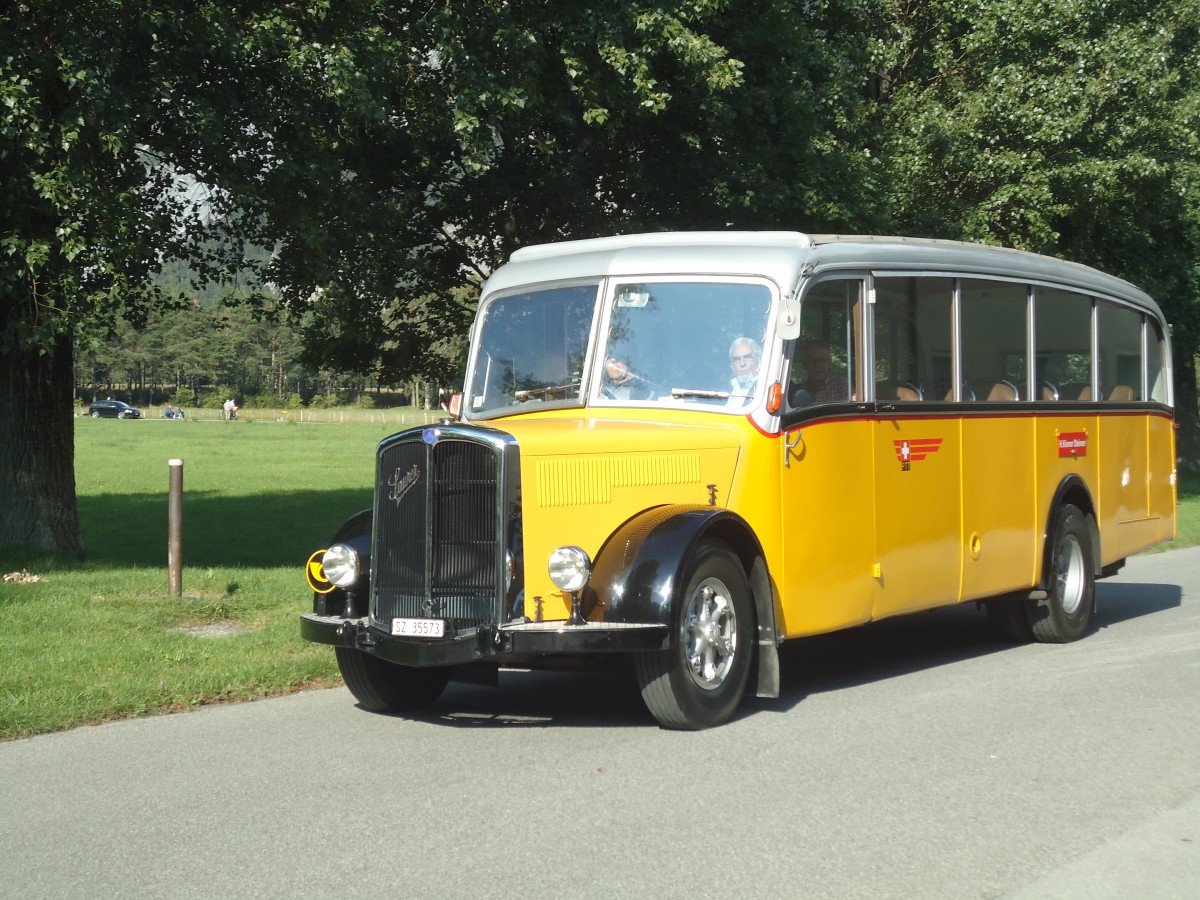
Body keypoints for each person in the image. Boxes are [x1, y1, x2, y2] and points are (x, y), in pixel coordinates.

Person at [792, 340, 849, 405]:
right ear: (805, 364)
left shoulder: (842, 386)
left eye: (822, 360)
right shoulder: (797, 391)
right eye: (812, 360)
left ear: (829, 362)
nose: (817, 365)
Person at [726, 337, 761, 406]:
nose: (742, 363)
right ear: (732, 367)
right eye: (737, 359)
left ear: (759, 361)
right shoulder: (724, 388)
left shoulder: (765, 388)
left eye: (748, 357)